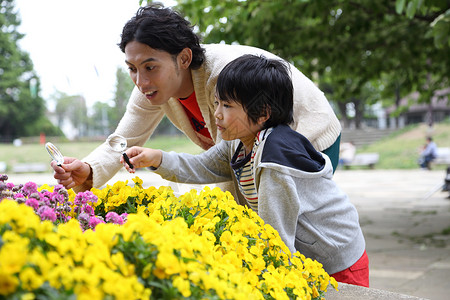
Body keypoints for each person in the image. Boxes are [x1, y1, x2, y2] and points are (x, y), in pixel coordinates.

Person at [121, 54, 368, 287]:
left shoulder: (274, 163)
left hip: (338, 261)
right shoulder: (239, 142)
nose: (216, 114)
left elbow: (276, 240)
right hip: (310, 256)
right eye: (216, 102)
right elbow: (204, 166)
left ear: (262, 113)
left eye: (227, 105)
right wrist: (157, 159)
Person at [51, 3, 341, 194]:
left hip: (309, 136)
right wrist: (88, 171)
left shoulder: (223, 77)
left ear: (185, 58)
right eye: (132, 69)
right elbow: (122, 140)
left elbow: (231, 164)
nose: (140, 81)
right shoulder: (151, 87)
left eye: (150, 67)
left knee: (291, 234)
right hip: (255, 152)